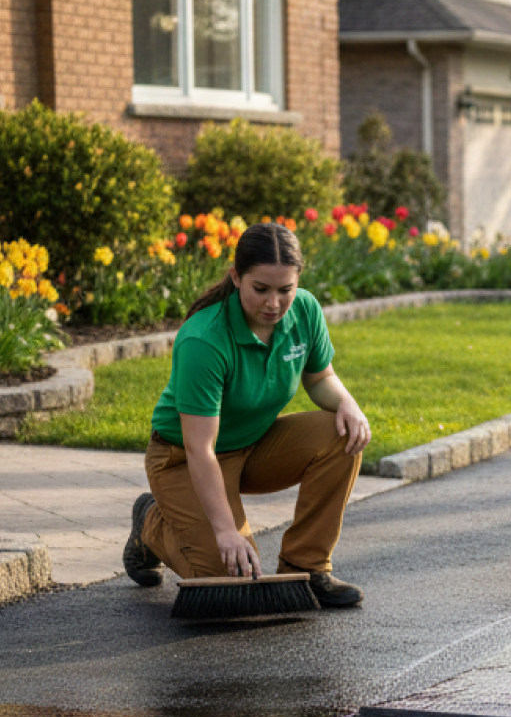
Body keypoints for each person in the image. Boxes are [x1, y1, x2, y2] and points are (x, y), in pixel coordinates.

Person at [122, 220, 370, 607]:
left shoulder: (304, 310)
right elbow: (200, 449)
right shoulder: (204, 340)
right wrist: (224, 530)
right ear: (236, 277)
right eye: (262, 289)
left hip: (253, 447)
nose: (274, 303)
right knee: (227, 577)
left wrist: (347, 403)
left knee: (342, 435)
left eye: (285, 290)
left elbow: (321, 377)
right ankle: (151, 522)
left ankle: (306, 567)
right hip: (183, 460)